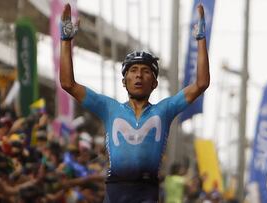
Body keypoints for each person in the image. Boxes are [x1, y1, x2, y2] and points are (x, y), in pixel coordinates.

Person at [60, 2, 210, 202]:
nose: (139, 75)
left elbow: (201, 83)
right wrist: (65, 41)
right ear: (124, 81)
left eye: (146, 71)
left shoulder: (164, 110)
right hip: (115, 192)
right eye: (133, 71)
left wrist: (200, 39)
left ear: (154, 83)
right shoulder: (109, 108)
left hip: (147, 193)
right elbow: (68, 83)